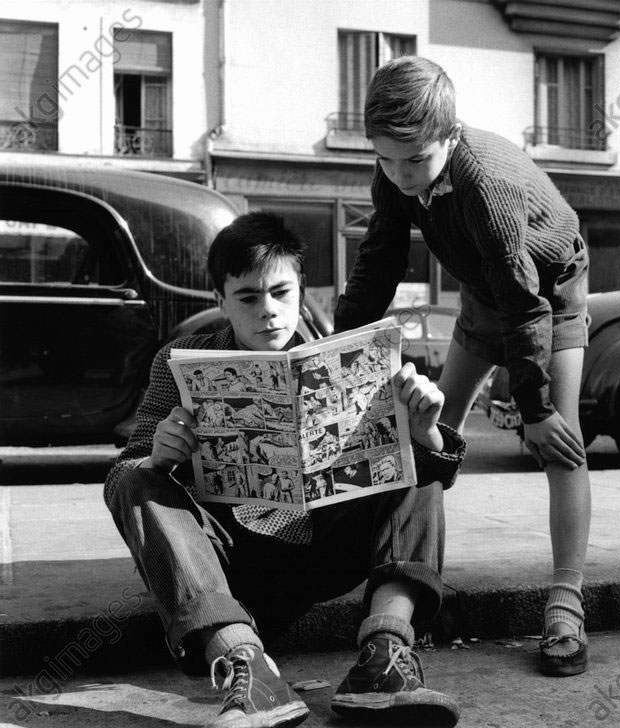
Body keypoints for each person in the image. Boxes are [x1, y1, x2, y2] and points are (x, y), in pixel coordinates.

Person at [105, 211, 467, 728]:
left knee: (416, 462)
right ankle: (248, 668)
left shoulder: (350, 361)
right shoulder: (178, 362)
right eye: (249, 297)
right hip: (229, 559)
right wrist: (160, 457)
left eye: (281, 292)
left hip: (330, 546)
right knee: (137, 483)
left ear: (301, 290)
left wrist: (425, 430)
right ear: (220, 301)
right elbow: (123, 475)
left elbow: (440, 473)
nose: (270, 312)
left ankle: (384, 658)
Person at [334, 55, 591, 678]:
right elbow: (380, 260)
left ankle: (566, 602)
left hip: (548, 292)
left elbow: (525, 301)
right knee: (429, 438)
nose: (398, 177)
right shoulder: (398, 169)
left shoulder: (487, 184)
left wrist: (533, 408)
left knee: (562, 444)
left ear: (449, 136)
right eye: (385, 159)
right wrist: (337, 348)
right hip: (485, 289)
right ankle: (415, 586)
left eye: (413, 161)